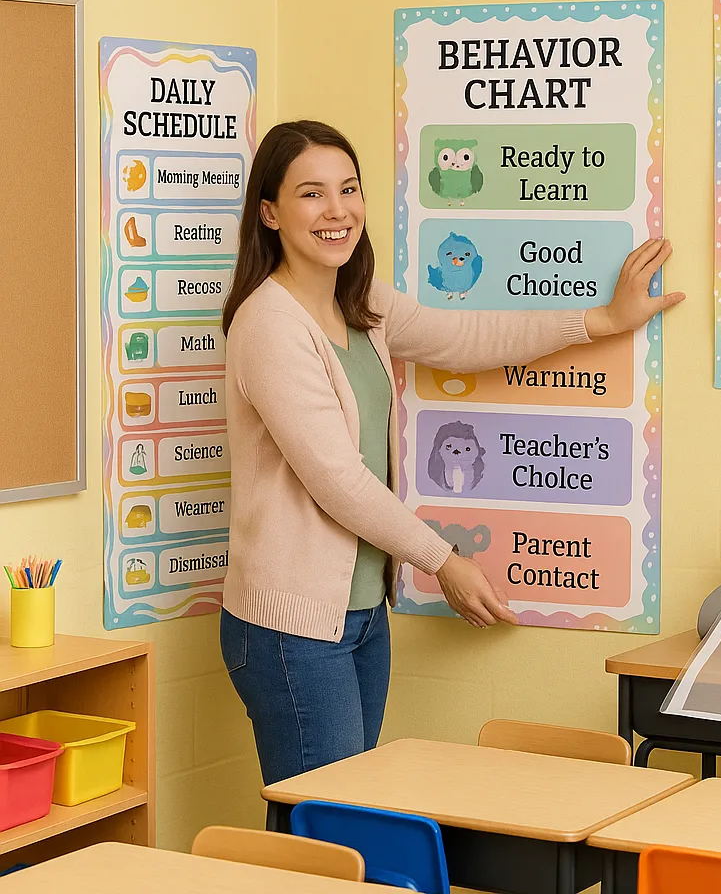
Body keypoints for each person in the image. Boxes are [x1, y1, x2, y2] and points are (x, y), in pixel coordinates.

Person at [218, 120, 686, 788]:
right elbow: (338, 480)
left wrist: (600, 322)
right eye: (311, 194)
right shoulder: (270, 324)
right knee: (324, 817)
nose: (337, 210)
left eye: (349, 189)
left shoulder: (359, 300)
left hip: (359, 614)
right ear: (270, 213)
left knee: (333, 812)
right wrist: (444, 561)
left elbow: (462, 337)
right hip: (292, 626)